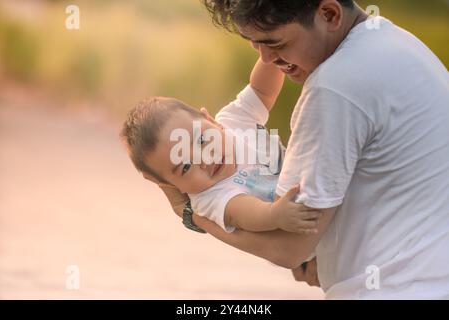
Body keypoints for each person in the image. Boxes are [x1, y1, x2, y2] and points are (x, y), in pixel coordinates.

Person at [159, 0, 449, 299]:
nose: (267, 59)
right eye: (255, 44)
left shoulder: (334, 87)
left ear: (329, 14)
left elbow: (290, 248)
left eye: (275, 43)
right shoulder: (396, 42)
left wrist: (194, 213)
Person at [121, 59, 323, 236]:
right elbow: (242, 211)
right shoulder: (208, 198)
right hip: (309, 228)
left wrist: (273, 55)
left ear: (210, 119)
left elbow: (261, 90)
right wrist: (275, 215)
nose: (205, 160)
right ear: (172, 186)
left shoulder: (232, 121)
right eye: (185, 167)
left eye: (201, 140)